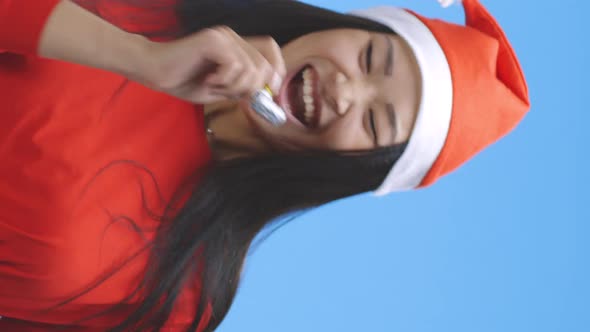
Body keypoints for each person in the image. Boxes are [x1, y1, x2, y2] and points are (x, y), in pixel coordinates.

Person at [0, 0, 530, 330]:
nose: (346, 90)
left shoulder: (187, 296)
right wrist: (138, 56)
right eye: (370, 59)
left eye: (374, 122)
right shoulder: (154, 10)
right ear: (342, 26)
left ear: (353, 168)